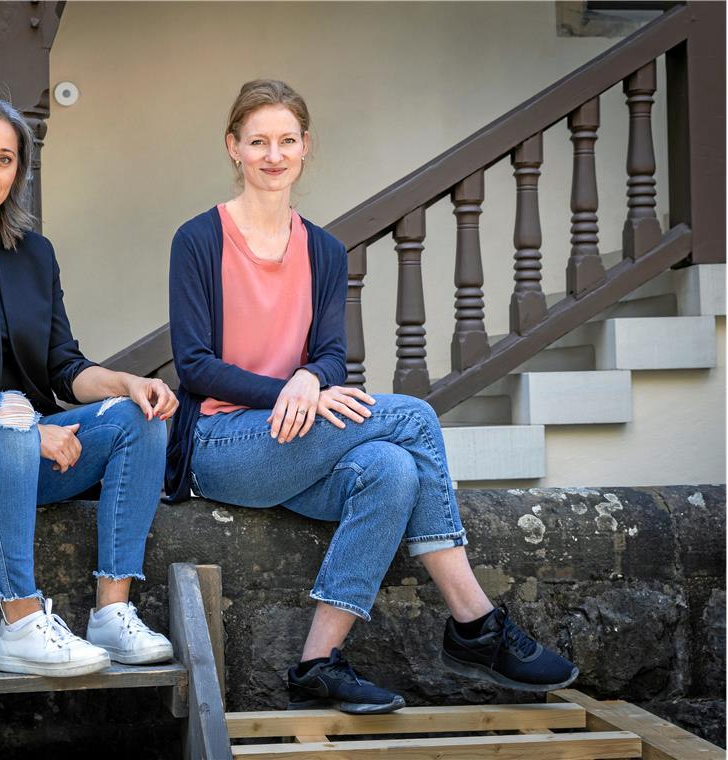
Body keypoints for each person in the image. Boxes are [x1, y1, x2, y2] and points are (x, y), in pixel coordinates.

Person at [165, 79, 578, 713]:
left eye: (286, 141)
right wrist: (289, 387)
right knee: (411, 416)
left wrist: (311, 378)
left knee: (390, 469)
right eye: (257, 142)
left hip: (296, 442)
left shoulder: (325, 250)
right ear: (234, 148)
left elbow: (332, 355)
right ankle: (475, 621)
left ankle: (316, 663)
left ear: (306, 147)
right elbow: (193, 366)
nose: (273, 156)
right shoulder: (198, 240)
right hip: (223, 444)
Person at [0, 94, 177, 677]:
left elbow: (62, 366)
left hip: (28, 446)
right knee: (11, 416)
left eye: (4, 158)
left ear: (18, 170)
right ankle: (21, 622)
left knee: (136, 417)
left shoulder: (35, 253)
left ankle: (111, 613)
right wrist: (21, 422)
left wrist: (126, 382)